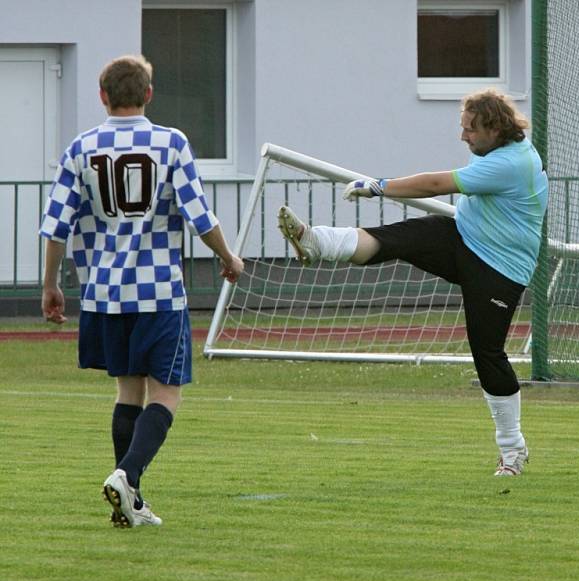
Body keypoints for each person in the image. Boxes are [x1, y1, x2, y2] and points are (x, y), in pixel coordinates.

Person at [277, 89, 548, 477]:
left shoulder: (511, 163)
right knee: (395, 239)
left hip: (500, 269)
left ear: (494, 127)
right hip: (465, 238)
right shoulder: (497, 152)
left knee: (487, 353)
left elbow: (436, 184)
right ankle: (314, 241)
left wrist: (379, 185)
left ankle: (513, 449)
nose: (463, 136)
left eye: (470, 129)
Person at [39, 55, 244, 528]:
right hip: (158, 293)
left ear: (103, 95)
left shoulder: (81, 147)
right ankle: (127, 476)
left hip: (104, 293)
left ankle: (130, 503)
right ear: (148, 93)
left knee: (127, 391)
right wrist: (227, 257)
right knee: (166, 394)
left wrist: (51, 285)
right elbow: (198, 215)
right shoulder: (171, 142)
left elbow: (55, 227)